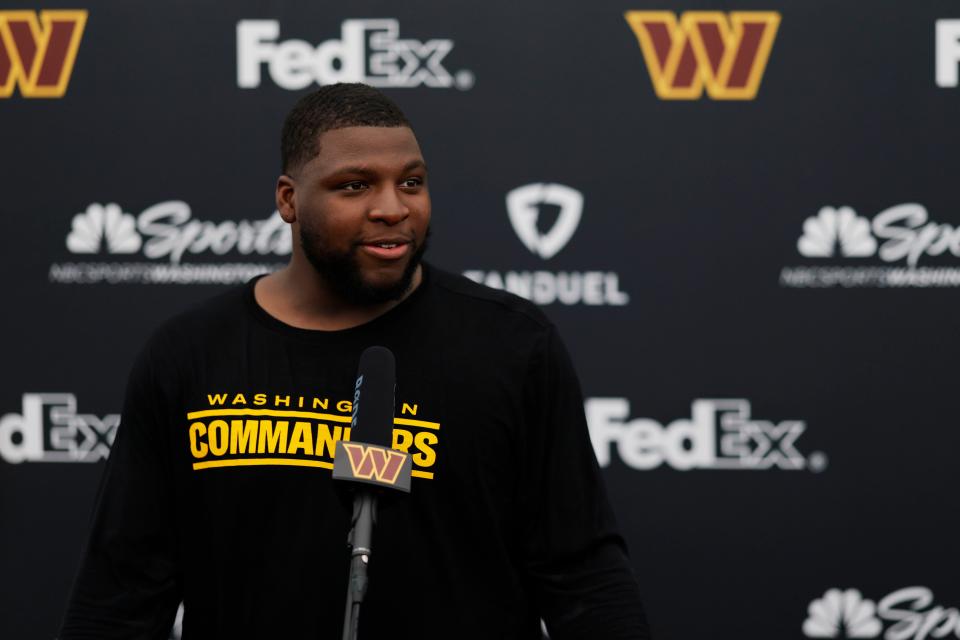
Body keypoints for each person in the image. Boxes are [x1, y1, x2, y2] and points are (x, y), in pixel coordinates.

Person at [60, 83, 650, 639]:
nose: (392, 208)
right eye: (355, 186)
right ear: (289, 200)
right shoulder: (188, 354)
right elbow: (121, 590)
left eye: (411, 182)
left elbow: (584, 576)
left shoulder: (512, 344)